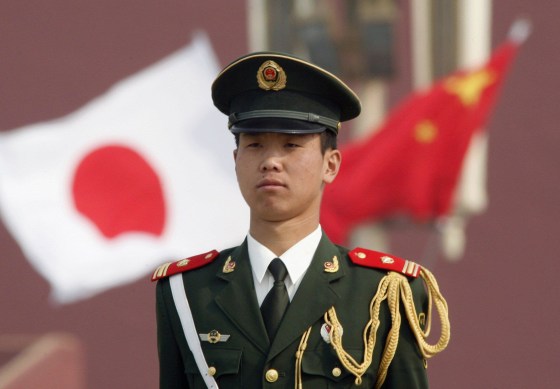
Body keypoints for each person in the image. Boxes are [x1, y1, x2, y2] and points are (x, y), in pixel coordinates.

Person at [152, 52, 450, 389]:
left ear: (331, 164)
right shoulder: (187, 292)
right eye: (255, 145)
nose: (271, 161)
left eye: (291, 144)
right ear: (236, 159)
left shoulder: (385, 294)